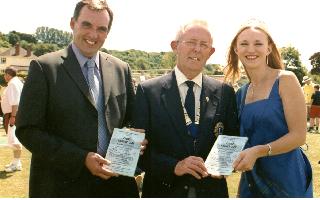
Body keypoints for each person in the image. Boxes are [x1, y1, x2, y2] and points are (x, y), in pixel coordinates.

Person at [15, 0, 146, 197]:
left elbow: (130, 118)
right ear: (72, 23)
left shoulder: (121, 68)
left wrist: (134, 137)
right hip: (63, 186)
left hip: (116, 186)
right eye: (86, 25)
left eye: (101, 29)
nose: (93, 35)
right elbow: (27, 130)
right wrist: (81, 158)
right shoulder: (44, 68)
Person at [132, 20, 239, 197]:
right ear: (175, 46)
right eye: (191, 42)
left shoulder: (225, 92)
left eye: (204, 45)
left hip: (211, 191)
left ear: (211, 52)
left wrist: (225, 164)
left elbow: (232, 139)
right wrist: (175, 166)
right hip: (163, 191)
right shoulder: (148, 91)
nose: (197, 49)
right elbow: (139, 151)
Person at [224, 19, 313, 197]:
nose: (251, 49)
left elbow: (298, 136)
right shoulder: (240, 93)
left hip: (286, 176)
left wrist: (258, 151)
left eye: (258, 43)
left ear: (269, 48)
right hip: (252, 180)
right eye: (244, 44)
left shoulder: (286, 80)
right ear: (236, 49)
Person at [1, 67, 23, 172]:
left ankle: (17, 164)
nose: (4, 76)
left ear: (8, 74)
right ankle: (16, 162)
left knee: (14, 140)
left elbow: (15, 102)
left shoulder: (13, 84)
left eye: (5, 74)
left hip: (12, 114)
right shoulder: (15, 82)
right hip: (11, 114)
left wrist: (13, 117)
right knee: (13, 140)